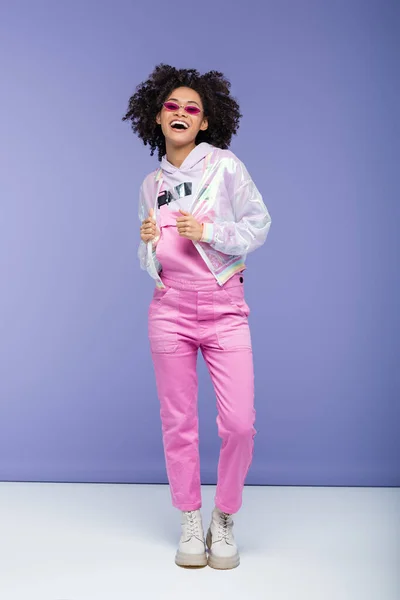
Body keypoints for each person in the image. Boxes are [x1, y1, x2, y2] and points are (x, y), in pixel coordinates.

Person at [122, 64, 271, 570]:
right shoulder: (150, 183)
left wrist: (208, 231)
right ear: (158, 118)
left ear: (205, 122)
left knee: (238, 425)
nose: (181, 113)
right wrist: (147, 246)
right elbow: (156, 260)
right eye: (172, 107)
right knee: (178, 422)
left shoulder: (225, 167)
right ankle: (189, 514)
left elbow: (258, 225)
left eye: (192, 108)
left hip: (225, 308)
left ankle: (224, 514)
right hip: (169, 311)